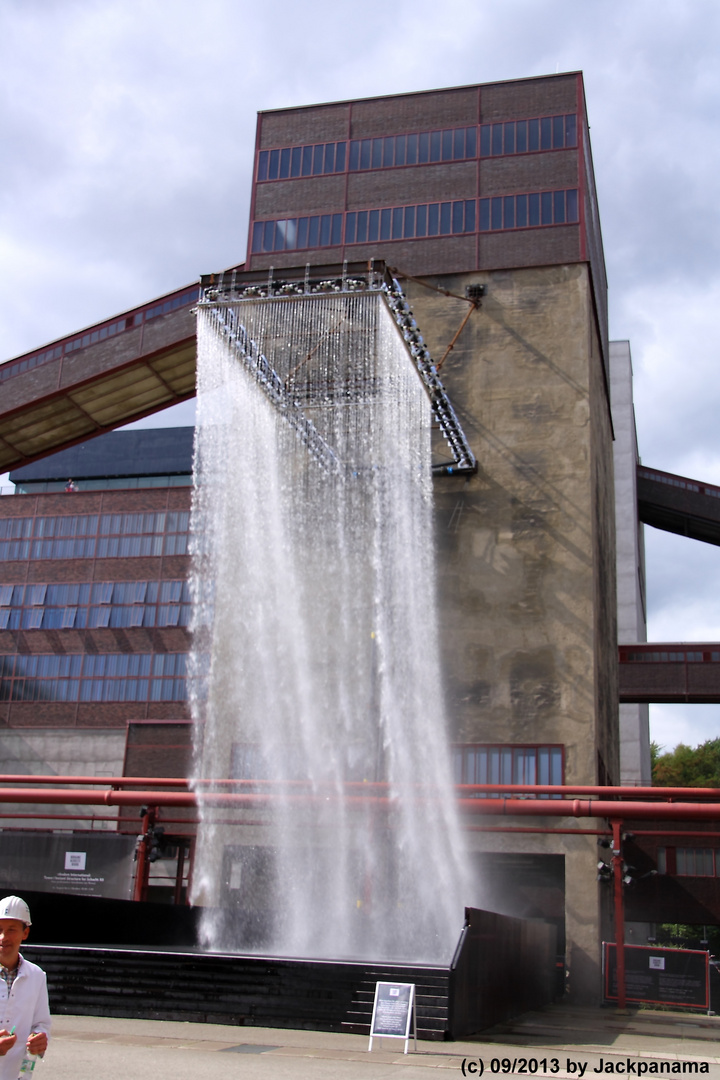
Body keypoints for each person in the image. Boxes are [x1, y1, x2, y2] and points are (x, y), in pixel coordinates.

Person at [0, 896, 50, 1078]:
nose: (3, 937)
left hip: (17, 1075)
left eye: (11, 930)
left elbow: (42, 1023)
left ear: (25, 933)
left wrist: (40, 1038)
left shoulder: (36, 976)